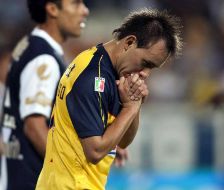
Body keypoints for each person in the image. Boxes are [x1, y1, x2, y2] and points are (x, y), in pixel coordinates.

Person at [36, 8, 182, 190]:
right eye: (146, 64)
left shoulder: (110, 71)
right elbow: (95, 151)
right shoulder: (93, 78)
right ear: (129, 42)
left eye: (153, 68)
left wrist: (134, 104)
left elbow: (123, 140)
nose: (145, 74)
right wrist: (130, 108)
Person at [0, 0, 89, 189]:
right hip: (29, 180)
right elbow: (34, 126)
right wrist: (73, 170)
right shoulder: (43, 58)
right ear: (52, 9)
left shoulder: (31, 44)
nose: (85, 11)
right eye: (76, 4)